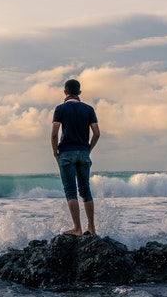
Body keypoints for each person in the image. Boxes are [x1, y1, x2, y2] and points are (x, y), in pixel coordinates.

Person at [51, 79, 100, 236]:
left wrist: (55, 152)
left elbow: (54, 134)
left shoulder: (60, 109)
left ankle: (77, 228)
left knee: (70, 191)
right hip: (83, 153)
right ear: (79, 93)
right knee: (86, 191)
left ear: (65, 92)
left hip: (66, 153)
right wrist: (88, 149)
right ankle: (91, 228)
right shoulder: (88, 109)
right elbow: (97, 133)